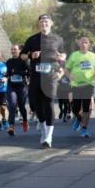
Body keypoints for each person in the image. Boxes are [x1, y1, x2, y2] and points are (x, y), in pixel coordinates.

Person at [22, 14, 66, 148]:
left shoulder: (58, 39)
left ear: (51, 23)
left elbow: (63, 54)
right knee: (36, 104)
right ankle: (43, 129)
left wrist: (62, 57)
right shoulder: (32, 39)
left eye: (46, 22)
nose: (44, 24)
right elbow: (23, 56)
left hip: (51, 76)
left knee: (49, 103)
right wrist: (30, 55)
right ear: (39, 24)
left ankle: (49, 136)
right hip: (36, 76)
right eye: (41, 22)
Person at [65, 36, 95, 138]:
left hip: (88, 84)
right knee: (75, 108)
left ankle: (84, 130)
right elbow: (66, 69)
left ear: (89, 44)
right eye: (82, 42)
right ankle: (78, 118)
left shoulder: (93, 56)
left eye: (86, 42)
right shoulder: (74, 55)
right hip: (76, 85)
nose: (84, 44)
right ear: (79, 44)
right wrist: (69, 75)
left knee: (86, 108)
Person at [5, 44, 30, 135]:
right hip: (11, 86)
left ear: (19, 51)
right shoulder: (9, 61)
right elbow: (8, 73)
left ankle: (25, 120)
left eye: (15, 49)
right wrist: (5, 76)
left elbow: (29, 72)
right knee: (12, 104)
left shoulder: (24, 61)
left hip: (22, 86)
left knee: (21, 105)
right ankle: (11, 126)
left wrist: (19, 73)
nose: (13, 51)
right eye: (12, 49)